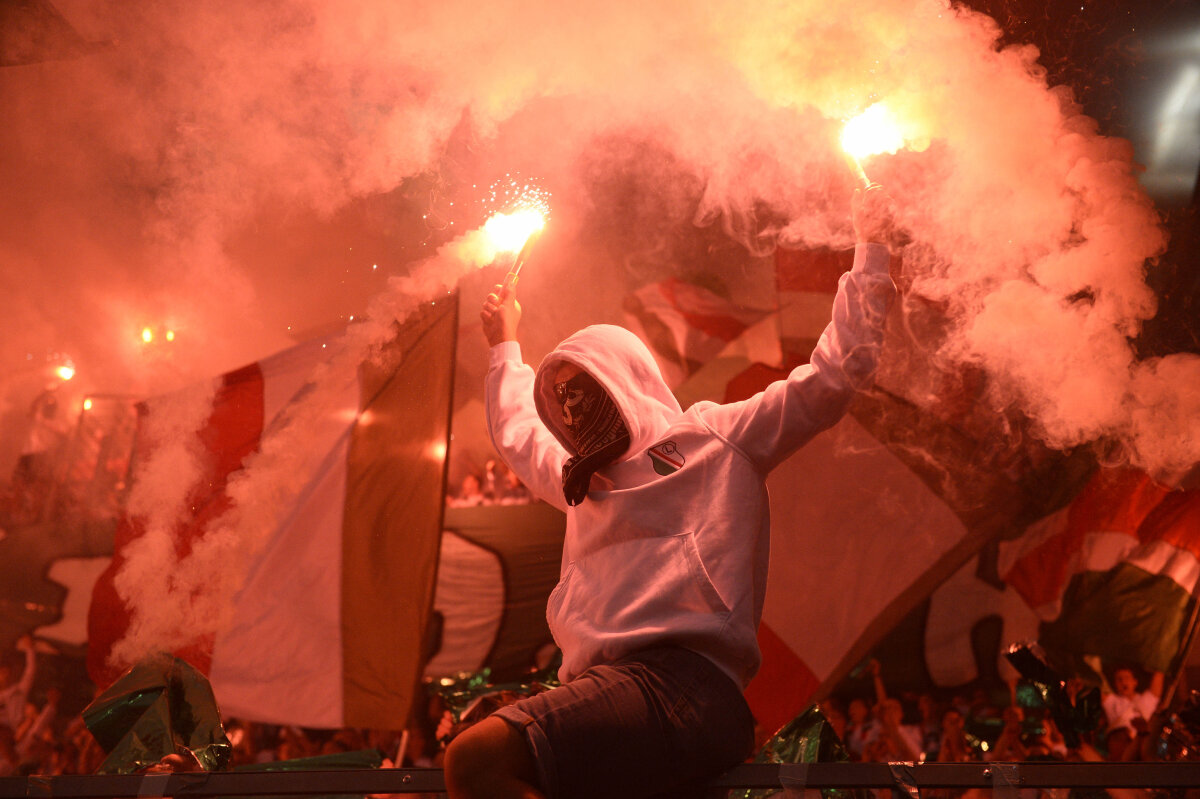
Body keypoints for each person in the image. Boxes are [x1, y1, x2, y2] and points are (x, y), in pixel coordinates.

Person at [445, 186, 898, 799]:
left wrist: (870, 250)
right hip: (611, 695)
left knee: (476, 760)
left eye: (586, 389)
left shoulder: (717, 437)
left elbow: (834, 376)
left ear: (625, 382)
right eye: (563, 396)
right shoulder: (583, 480)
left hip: (683, 690)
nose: (573, 408)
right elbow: (518, 434)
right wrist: (504, 343)